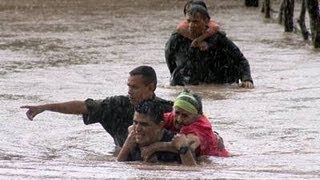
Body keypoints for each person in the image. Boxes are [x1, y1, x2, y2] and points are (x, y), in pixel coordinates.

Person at [20, 66, 173, 148]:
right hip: (124, 156)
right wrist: (45, 107)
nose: (129, 91)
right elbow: (82, 106)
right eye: (128, 86)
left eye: (135, 87)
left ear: (151, 87)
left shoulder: (168, 109)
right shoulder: (116, 105)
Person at [165, 5, 254, 88]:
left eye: (195, 22)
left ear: (206, 21)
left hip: (220, 83)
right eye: (189, 21)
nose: (191, 25)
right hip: (188, 83)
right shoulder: (177, 39)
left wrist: (246, 79)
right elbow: (169, 58)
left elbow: (240, 60)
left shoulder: (219, 39)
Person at [138, 90, 229, 162]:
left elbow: (185, 145)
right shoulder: (171, 116)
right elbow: (148, 123)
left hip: (215, 158)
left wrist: (155, 147)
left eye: (185, 116)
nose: (179, 119)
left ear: (197, 116)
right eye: (177, 113)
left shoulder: (201, 126)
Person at [117, 100, 197, 166]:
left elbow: (192, 173)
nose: (137, 128)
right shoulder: (132, 139)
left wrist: (183, 149)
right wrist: (125, 148)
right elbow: (118, 168)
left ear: (160, 125)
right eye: (135, 122)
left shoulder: (178, 144)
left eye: (144, 124)